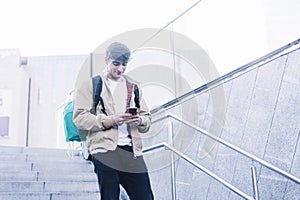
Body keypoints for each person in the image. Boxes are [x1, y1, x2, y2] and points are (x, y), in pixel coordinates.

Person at [73, 42, 154, 200]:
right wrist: (111, 120)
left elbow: (147, 118)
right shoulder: (92, 84)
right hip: (104, 152)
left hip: (132, 153)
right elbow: (79, 117)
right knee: (110, 197)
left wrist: (140, 120)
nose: (120, 69)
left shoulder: (134, 88)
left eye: (124, 65)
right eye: (116, 64)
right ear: (107, 60)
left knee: (145, 197)